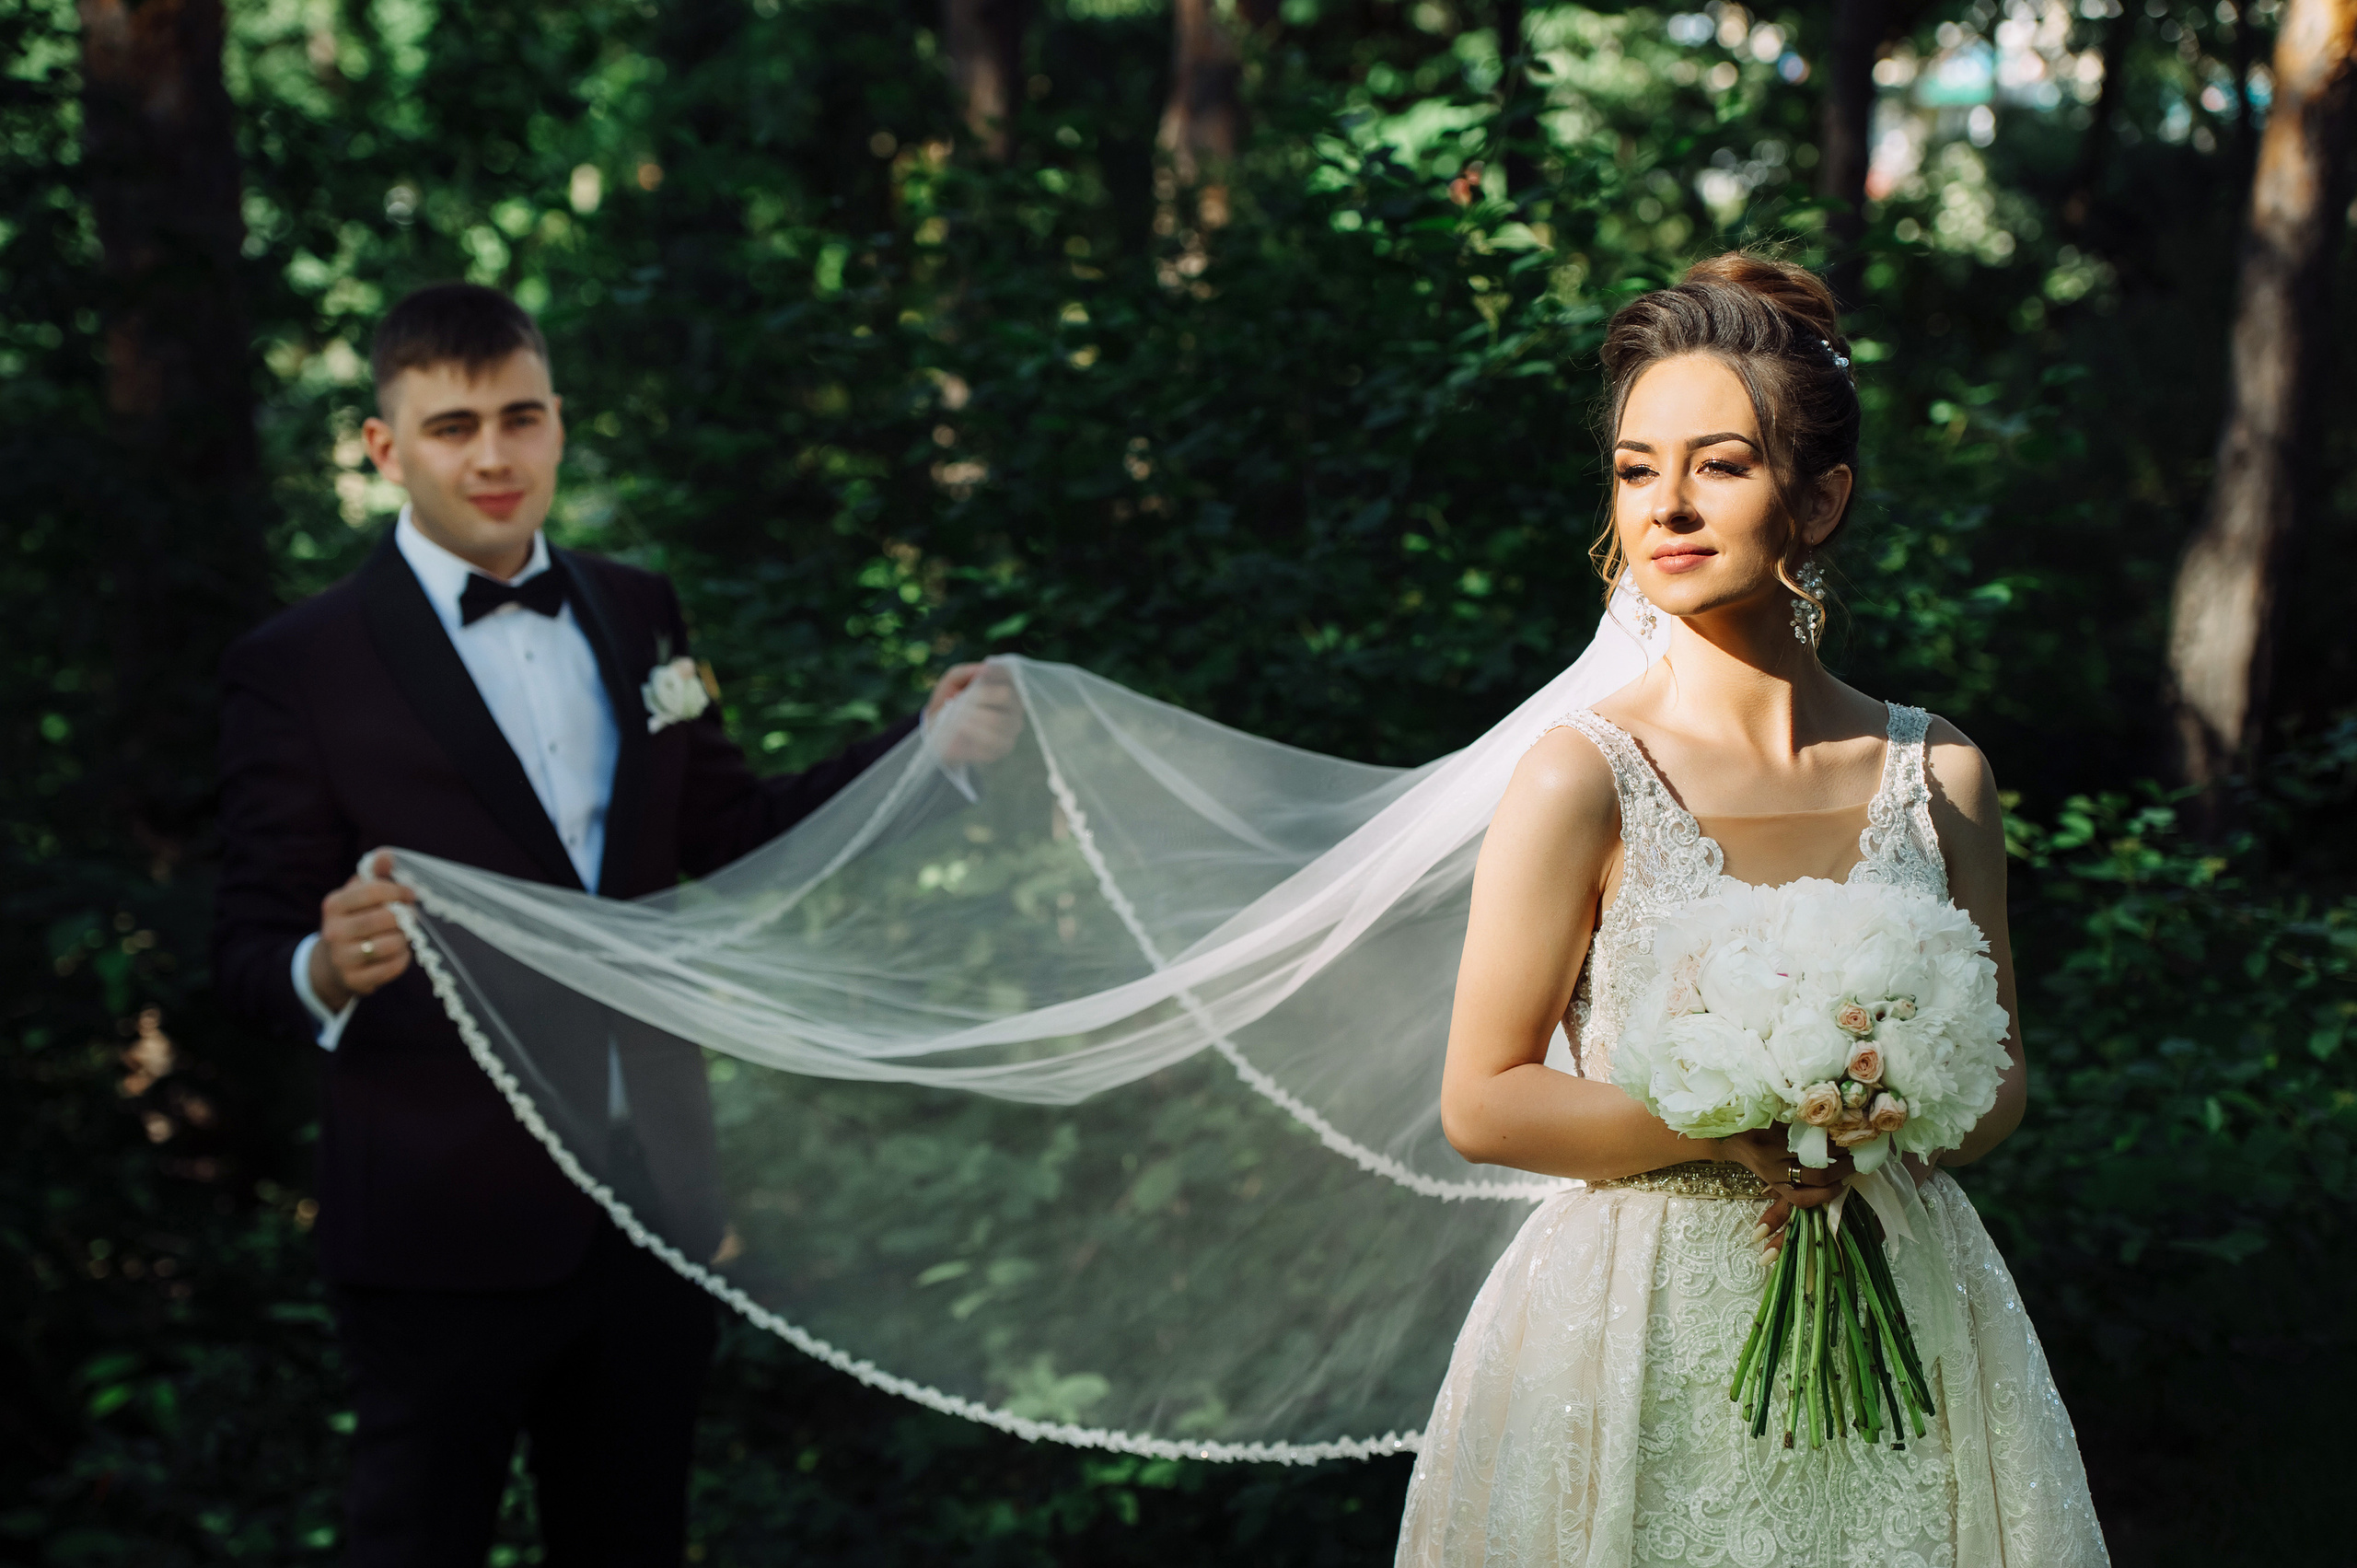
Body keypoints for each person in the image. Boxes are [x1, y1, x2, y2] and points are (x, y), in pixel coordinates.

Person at [211, 281, 1018, 1566]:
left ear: (559, 425)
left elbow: (721, 828)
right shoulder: (302, 665)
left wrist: (921, 754)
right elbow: (246, 949)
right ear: (384, 448)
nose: (492, 457)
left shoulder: (637, 609)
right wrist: (322, 963)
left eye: (520, 420)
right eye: (452, 427)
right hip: (439, 1216)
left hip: (651, 1202)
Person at [1394, 255, 2110, 1564]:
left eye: (1719, 465)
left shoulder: (1939, 775)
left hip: (1910, 1288)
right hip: (1638, 1320)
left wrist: (1873, 1111)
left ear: (1820, 497)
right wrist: (1730, 1128)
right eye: (1633, 468)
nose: (1666, 504)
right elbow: (1484, 1097)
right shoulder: (1581, 775)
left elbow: (2000, 1088)